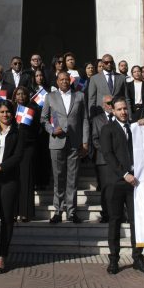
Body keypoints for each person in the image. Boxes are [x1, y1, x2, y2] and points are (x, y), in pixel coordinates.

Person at [99, 96, 144, 274]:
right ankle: (114, 260)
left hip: (134, 184)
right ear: (113, 111)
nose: (123, 112)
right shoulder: (108, 129)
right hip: (116, 183)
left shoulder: (135, 128)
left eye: (125, 109)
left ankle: (138, 258)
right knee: (115, 221)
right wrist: (124, 173)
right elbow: (108, 155)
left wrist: (141, 124)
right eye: (119, 109)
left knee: (137, 222)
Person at [42, 71, 90, 223]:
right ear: (57, 82)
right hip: (57, 142)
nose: (64, 81)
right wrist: (51, 130)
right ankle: (58, 211)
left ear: (70, 80)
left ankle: (71, 212)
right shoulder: (50, 97)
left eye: (66, 79)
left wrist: (85, 141)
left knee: (73, 178)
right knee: (58, 178)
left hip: (75, 143)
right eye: (61, 79)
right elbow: (43, 119)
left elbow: (84, 119)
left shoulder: (80, 96)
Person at [0, 101, 25, 274]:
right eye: (1, 111)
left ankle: (2, 256)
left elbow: (18, 156)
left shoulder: (18, 132)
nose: (5, 114)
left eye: (8, 111)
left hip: (8, 179)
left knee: (7, 218)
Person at [13, 86, 39, 222]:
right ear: (14, 96)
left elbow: (35, 130)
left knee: (26, 180)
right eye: (18, 94)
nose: (21, 96)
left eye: (23, 94)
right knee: (13, 181)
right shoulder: (10, 109)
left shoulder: (32, 109)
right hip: (12, 149)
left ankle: (26, 212)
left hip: (27, 148)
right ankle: (14, 211)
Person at [90, 94, 115, 223]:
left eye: (112, 103)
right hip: (103, 159)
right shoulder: (97, 120)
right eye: (108, 103)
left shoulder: (119, 117)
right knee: (105, 188)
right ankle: (106, 214)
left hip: (118, 159)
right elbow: (94, 139)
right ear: (104, 105)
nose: (111, 105)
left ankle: (118, 214)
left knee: (117, 188)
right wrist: (106, 152)